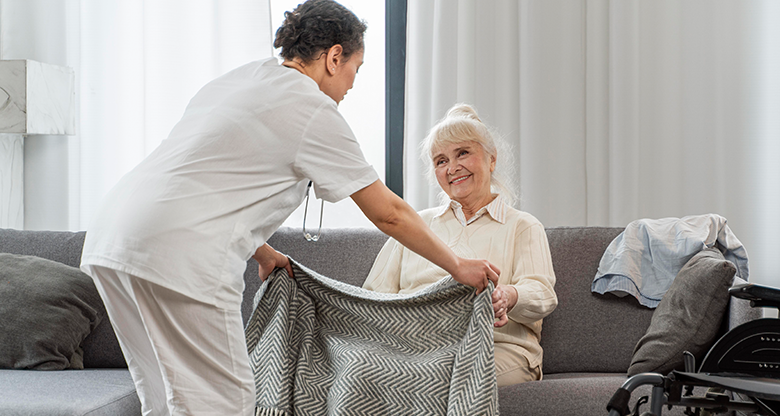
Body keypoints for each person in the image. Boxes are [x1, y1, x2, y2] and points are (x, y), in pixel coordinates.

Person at [79, 2, 499, 415]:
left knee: (163, 399)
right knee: (223, 403)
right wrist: (457, 266)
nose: (353, 82)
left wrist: (262, 251)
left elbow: (210, 178)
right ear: (335, 57)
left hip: (113, 238)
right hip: (179, 254)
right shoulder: (311, 107)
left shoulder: (242, 79)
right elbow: (387, 211)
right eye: (357, 67)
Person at [363, 103, 558, 387]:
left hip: (495, 347)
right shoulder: (415, 225)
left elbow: (542, 293)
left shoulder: (522, 226)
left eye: (463, 153)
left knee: (439, 377)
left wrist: (508, 295)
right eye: (441, 161)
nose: (453, 168)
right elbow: (373, 297)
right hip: (417, 349)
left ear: (491, 159)